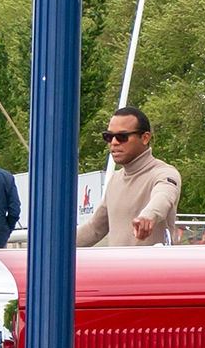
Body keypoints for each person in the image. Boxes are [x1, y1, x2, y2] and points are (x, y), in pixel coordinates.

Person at [76, 106, 181, 247]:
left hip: (153, 268)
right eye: (108, 136)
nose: (113, 142)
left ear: (145, 138)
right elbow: (94, 230)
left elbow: (164, 197)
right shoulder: (115, 180)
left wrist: (148, 216)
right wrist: (51, 244)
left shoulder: (164, 173)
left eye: (122, 137)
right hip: (116, 269)